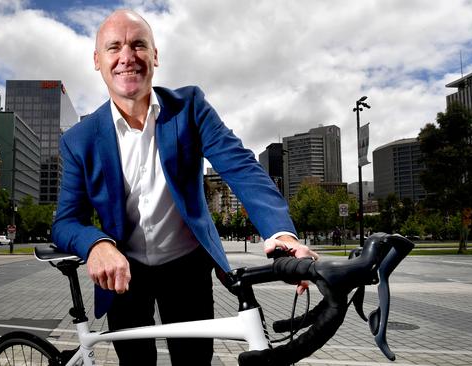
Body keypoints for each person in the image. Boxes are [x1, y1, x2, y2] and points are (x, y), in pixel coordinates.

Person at [51, 9, 319, 365]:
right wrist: (97, 244)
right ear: (97, 60)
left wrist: (281, 233)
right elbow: (65, 221)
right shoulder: (79, 140)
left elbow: (240, 166)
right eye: (114, 48)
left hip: (187, 269)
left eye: (138, 45)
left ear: (155, 55)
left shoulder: (189, 107)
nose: (126, 57)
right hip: (124, 274)